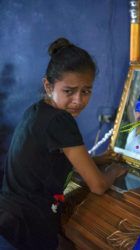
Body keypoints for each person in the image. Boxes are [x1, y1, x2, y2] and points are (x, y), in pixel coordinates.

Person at [0, 37, 127, 250]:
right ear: (48, 85)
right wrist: (113, 171)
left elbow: (49, 161)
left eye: (86, 91)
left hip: (10, 218)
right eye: (69, 91)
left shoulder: (37, 110)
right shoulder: (61, 120)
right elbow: (97, 186)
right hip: (28, 226)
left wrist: (99, 159)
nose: (78, 100)